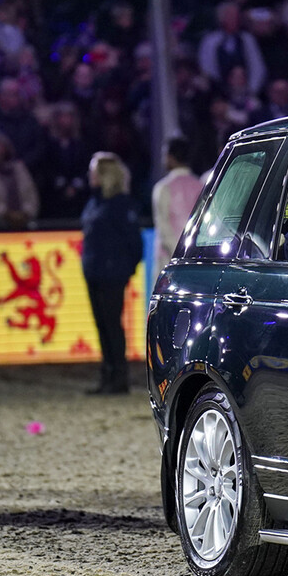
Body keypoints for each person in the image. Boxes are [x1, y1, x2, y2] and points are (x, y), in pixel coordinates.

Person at [81, 152, 142, 395]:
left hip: (111, 274)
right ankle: (107, 375)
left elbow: (134, 243)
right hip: (94, 271)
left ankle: (119, 377)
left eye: (93, 171)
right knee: (102, 326)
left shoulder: (120, 204)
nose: (89, 176)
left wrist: (125, 269)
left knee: (112, 325)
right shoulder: (95, 201)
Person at [151, 137, 202, 276]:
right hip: (195, 258)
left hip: (168, 259)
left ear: (170, 157)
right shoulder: (201, 186)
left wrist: (178, 255)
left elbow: (163, 227)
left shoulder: (163, 188)